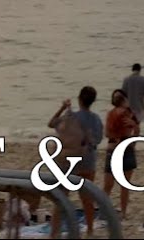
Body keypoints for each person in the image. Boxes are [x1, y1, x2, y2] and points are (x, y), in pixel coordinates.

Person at [46, 87, 103, 239]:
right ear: (93, 101)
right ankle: (90, 231)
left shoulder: (70, 117)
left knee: (62, 199)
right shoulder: (96, 119)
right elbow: (97, 140)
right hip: (88, 161)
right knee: (87, 199)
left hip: (68, 162)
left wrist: (63, 107)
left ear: (79, 99)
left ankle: (53, 233)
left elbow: (51, 124)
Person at [101, 89, 139, 219]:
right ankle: (103, 212)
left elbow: (137, 131)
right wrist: (118, 136)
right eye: (115, 97)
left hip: (126, 149)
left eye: (120, 97)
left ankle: (123, 212)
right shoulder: (110, 114)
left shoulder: (131, 114)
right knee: (108, 184)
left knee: (125, 184)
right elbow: (107, 134)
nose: (117, 99)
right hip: (113, 149)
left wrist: (133, 129)